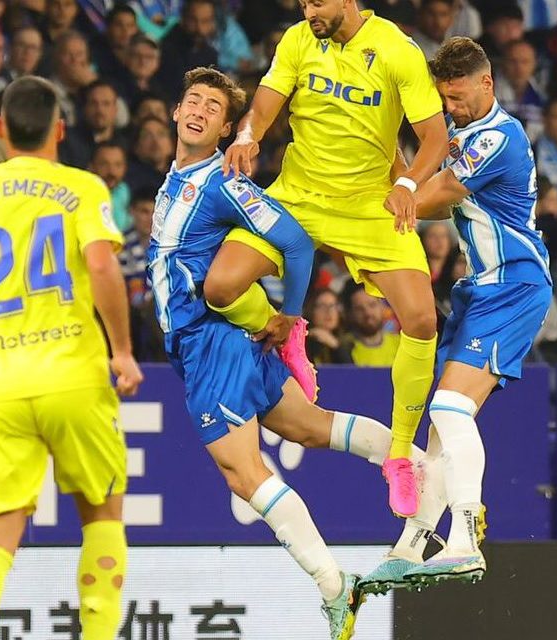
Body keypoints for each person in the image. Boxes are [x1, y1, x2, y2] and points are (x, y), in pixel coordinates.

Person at [151, 66, 425, 640]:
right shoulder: (173, 180)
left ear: (227, 130)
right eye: (192, 101)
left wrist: (291, 316)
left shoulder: (223, 182)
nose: (199, 111)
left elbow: (295, 241)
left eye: (212, 108)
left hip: (211, 343)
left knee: (243, 473)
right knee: (308, 426)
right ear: (175, 112)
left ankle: (334, 586)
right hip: (210, 343)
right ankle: (421, 468)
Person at [0, 76, 143, 640]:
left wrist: (4, 296)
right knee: (101, 513)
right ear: (59, 128)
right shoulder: (81, 186)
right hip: (73, 378)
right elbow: (99, 265)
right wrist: (122, 351)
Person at [217, 0, 450, 517]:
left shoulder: (396, 50)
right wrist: (249, 135)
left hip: (370, 204)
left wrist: (408, 182)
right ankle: (288, 330)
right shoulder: (299, 39)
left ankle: (399, 458)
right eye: (303, 2)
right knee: (220, 286)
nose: (309, 10)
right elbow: (265, 103)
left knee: (422, 319)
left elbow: (436, 135)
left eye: (317, 2)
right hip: (296, 196)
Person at [359, 36, 551, 590]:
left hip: (513, 284)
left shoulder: (498, 135)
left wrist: (358, 212)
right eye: (443, 97)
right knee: (443, 424)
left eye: (459, 95)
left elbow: (435, 193)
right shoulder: (463, 133)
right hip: (481, 289)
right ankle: (416, 540)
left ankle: (466, 534)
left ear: (486, 83)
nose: (450, 106)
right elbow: (428, 191)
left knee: (446, 406)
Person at [343, 283, 400, 367]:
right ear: (350, 313)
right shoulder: (344, 347)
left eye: (372, 305)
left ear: (382, 306)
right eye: (359, 308)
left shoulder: (401, 344)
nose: (368, 313)